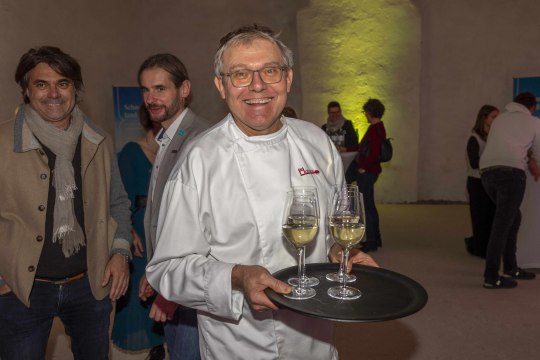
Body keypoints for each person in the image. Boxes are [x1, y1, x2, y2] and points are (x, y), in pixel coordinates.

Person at [146, 24, 377, 360]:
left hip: (314, 336)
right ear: (220, 86)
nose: (257, 86)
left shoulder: (316, 142)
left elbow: (331, 234)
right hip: (238, 342)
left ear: (288, 79)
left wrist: (344, 253)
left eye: (270, 70)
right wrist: (237, 277)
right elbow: (167, 269)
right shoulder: (199, 160)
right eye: (240, 74)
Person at [0, 46, 132, 359]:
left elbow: (118, 203)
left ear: (75, 89)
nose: (53, 93)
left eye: (63, 83)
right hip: (21, 290)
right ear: (26, 91)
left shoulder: (97, 140)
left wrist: (120, 252)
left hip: (89, 285)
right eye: (41, 84)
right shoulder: (4, 142)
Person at [136, 53, 211, 360]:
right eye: (145, 90)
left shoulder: (200, 139)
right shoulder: (168, 135)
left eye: (160, 89)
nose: (151, 98)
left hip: (188, 289)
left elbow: (201, 226)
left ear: (184, 89)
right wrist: (155, 271)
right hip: (173, 278)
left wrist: (171, 291)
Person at [112, 105, 165, 358]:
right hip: (141, 239)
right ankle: (151, 349)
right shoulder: (131, 153)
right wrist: (129, 229)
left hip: (166, 234)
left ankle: (164, 346)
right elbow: (119, 199)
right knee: (140, 301)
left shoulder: (172, 151)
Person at [479, 92, 540, 289]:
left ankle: (511, 267)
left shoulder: (500, 119)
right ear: (532, 107)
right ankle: (491, 276)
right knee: (502, 224)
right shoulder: (533, 122)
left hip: (487, 173)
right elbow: (538, 152)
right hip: (511, 175)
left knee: (513, 217)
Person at [345, 98, 387, 252]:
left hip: (368, 172)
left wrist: (363, 167)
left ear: (370, 112)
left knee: (367, 206)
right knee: (369, 205)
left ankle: (372, 240)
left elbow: (374, 153)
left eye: (365, 112)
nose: (365, 115)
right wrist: (348, 147)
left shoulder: (376, 129)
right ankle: (376, 237)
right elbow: (363, 146)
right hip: (370, 171)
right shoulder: (377, 127)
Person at [464, 105, 498, 258]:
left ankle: (487, 247)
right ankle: (479, 248)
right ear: (484, 118)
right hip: (477, 182)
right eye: (494, 117)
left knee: (491, 217)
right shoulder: (474, 137)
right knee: (480, 218)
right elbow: (473, 162)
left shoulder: (496, 136)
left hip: (491, 181)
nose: (497, 120)